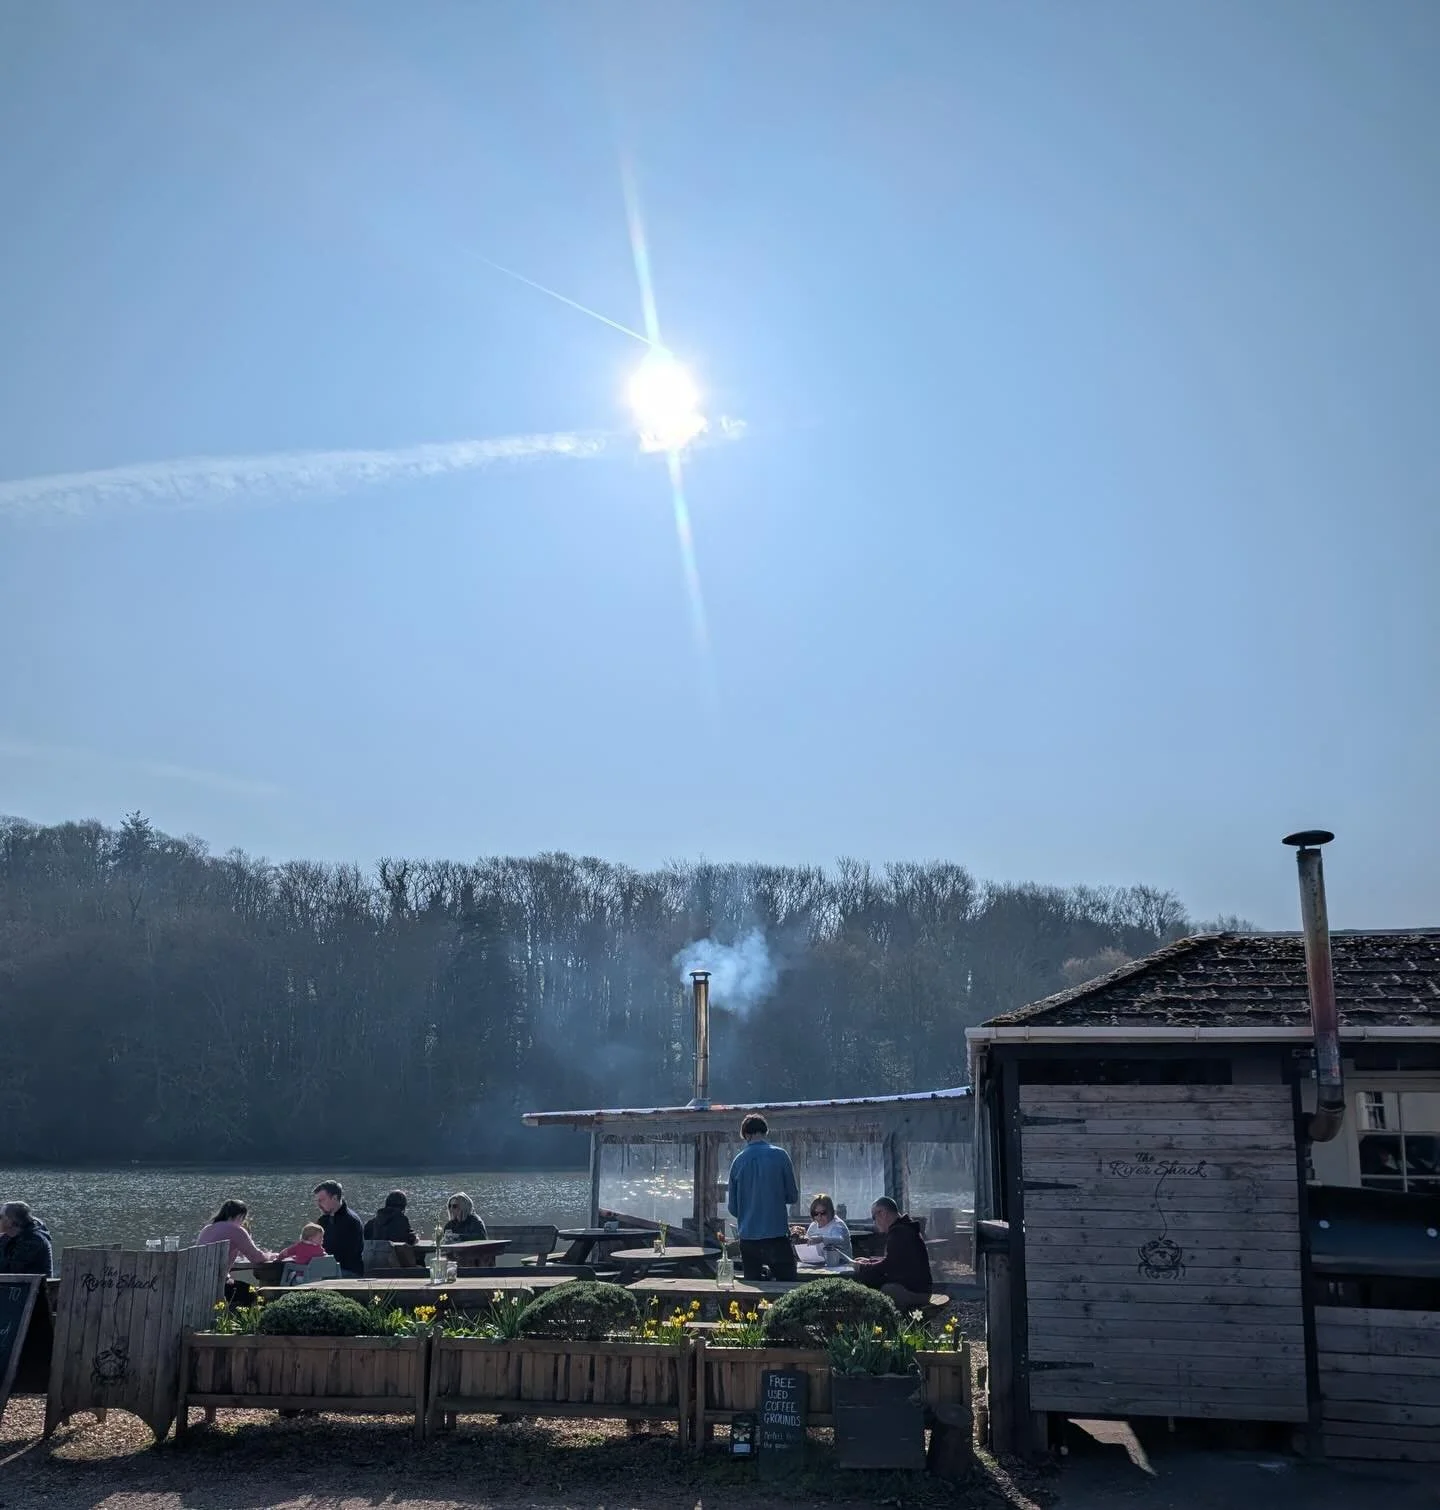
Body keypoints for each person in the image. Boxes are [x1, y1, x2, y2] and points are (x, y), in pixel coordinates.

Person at [727, 1113, 800, 1281]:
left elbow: (733, 1208)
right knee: (787, 1288)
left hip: (749, 1239)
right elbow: (792, 1196)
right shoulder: (781, 1156)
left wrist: (750, 1213)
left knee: (752, 1292)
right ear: (765, 1132)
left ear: (746, 1135)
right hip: (776, 1236)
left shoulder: (737, 1162)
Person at [853, 1196, 933, 1309]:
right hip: (919, 1288)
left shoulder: (900, 1233)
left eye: (873, 1217)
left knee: (882, 1290)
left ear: (882, 1213)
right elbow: (895, 1260)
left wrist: (863, 1267)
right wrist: (870, 1261)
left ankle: (885, 1323)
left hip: (917, 1292)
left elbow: (889, 1266)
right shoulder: (904, 1228)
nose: (874, 1222)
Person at [195, 1200, 276, 1270]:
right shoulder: (236, 1230)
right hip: (215, 1281)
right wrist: (270, 1256)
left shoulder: (207, 1228)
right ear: (240, 1215)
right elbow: (256, 1258)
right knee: (243, 1288)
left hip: (200, 1278)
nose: (243, 1221)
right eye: (243, 1218)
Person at [313, 1180, 365, 1277]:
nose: (318, 1205)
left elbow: (345, 1254)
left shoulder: (351, 1221)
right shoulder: (323, 1220)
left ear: (334, 1198)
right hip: (327, 1267)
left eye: (322, 1200)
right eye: (317, 1201)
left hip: (348, 1271)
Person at [794, 1192, 852, 1268]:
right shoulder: (813, 1225)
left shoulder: (837, 1224)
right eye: (816, 1213)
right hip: (818, 1263)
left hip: (841, 1265)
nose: (819, 1217)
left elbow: (840, 1239)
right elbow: (807, 1243)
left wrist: (821, 1239)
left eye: (823, 1213)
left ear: (830, 1211)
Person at [0, 1201, 53, 1275]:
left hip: (34, 1285)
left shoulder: (34, 1240)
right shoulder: (7, 1237)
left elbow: (10, 1270)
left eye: (0, 1217)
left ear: (11, 1221)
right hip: (13, 1284)